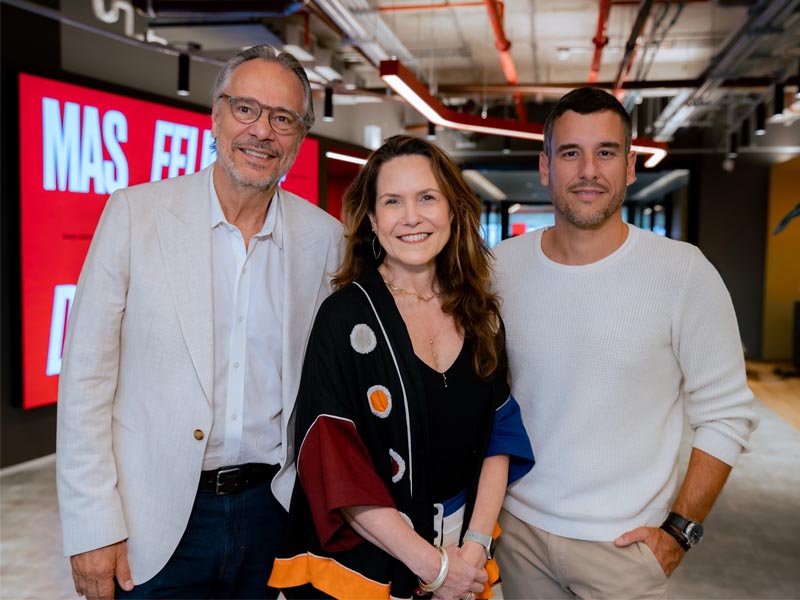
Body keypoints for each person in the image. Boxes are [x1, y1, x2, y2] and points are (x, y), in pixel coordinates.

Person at [56, 45, 343, 599]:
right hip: (154, 525)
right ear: (215, 115)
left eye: (282, 118)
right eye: (246, 110)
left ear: (300, 137)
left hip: (273, 515)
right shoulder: (135, 215)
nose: (262, 131)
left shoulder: (324, 240)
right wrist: (92, 526)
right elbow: (85, 383)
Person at [492, 86, 759, 599]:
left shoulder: (683, 274)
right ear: (545, 166)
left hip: (623, 549)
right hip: (518, 536)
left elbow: (726, 415)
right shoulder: (500, 268)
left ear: (630, 166)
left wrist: (680, 532)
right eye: (570, 153)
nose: (588, 170)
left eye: (606, 152)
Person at [267, 135, 534, 599]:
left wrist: (473, 547)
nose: (412, 217)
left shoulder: (480, 314)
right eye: (393, 201)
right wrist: (434, 566)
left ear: (452, 209)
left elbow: (499, 433)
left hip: (463, 561)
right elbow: (335, 467)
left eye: (427, 198)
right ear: (372, 220)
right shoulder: (344, 318)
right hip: (365, 565)